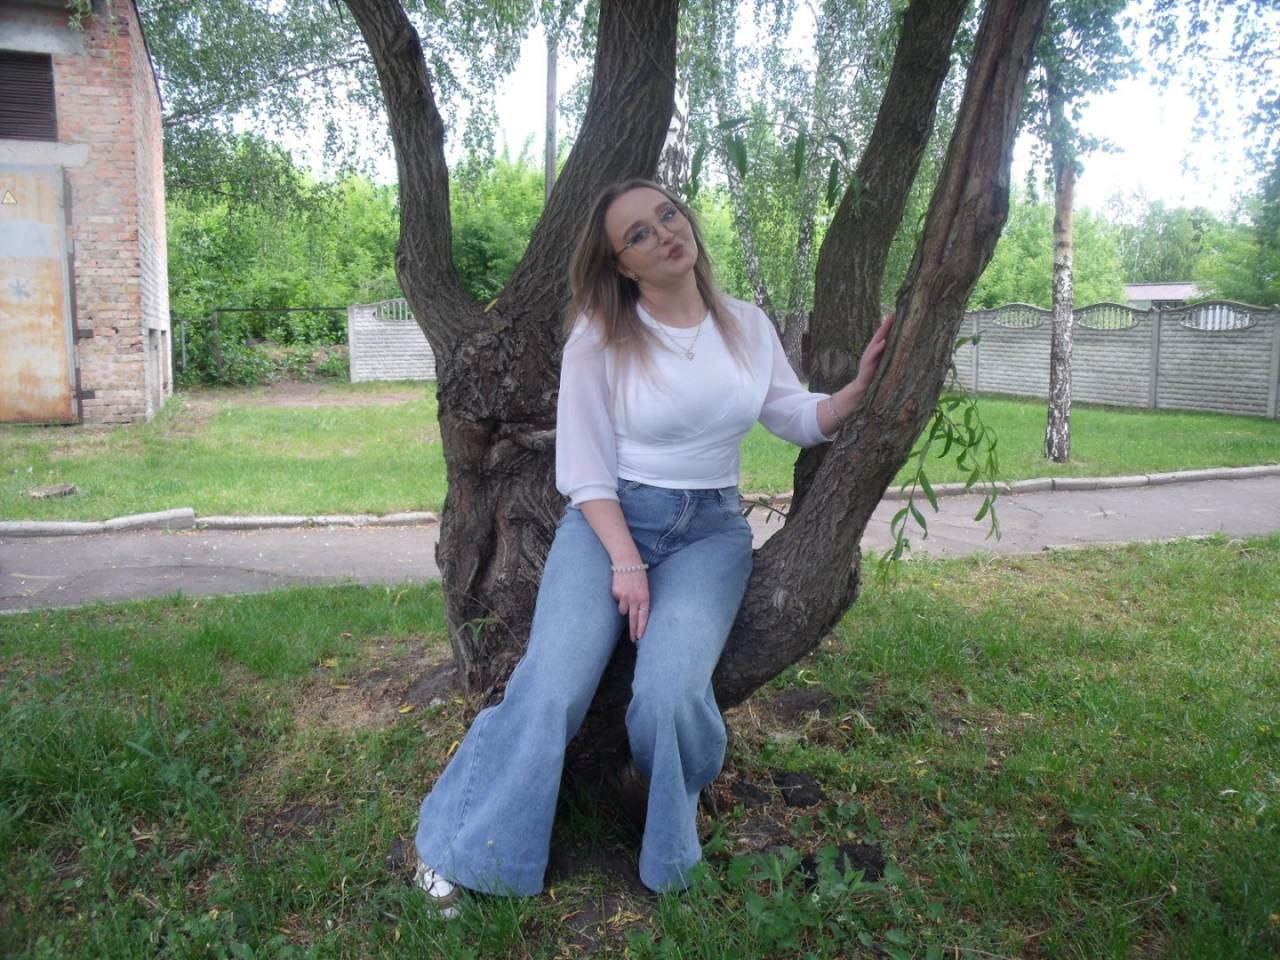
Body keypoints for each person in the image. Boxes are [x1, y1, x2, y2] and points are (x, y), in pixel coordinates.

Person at [412, 178, 892, 915]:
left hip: (710, 535)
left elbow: (792, 415)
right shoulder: (601, 334)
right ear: (622, 264)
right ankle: (461, 848)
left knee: (668, 697)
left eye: (668, 214)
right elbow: (584, 467)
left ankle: (669, 856)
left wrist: (854, 393)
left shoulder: (745, 324)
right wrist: (626, 561)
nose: (664, 232)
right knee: (553, 685)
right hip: (608, 522)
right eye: (638, 233)